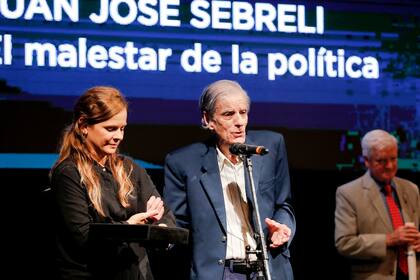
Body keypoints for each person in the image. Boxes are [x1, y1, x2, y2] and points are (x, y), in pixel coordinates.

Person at [163, 80, 296, 280]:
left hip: (269, 269)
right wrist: (162, 231)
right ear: (208, 119)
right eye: (228, 114)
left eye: (243, 112)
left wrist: (283, 228)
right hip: (220, 272)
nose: (239, 122)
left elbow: (283, 204)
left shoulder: (270, 146)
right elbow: (177, 223)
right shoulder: (183, 162)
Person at [50, 86, 175, 280]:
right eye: (110, 128)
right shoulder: (68, 173)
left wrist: (159, 227)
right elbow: (83, 238)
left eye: (122, 128)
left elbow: (166, 217)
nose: (119, 136)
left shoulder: (130, 169)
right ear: (84, 125)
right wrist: (128, 228)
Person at [335, 129, 420, 280]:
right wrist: (389, 239)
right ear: (366, 160)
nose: (389, 165)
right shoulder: (349, 193)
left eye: (393, 159)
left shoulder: (412, 189)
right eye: (381, 161)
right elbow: (344, 243)